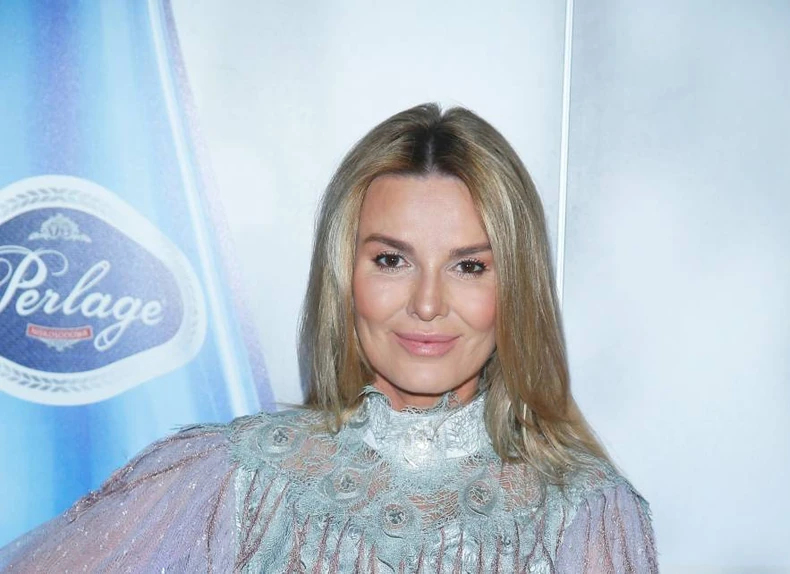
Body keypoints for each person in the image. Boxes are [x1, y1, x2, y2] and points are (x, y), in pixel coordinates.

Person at [0, 104, 658, 573]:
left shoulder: (583, 514)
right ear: (344, 276)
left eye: (468, 266)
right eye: (391, 260)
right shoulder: (235, 479)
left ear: (515, 286)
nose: (427, 303)